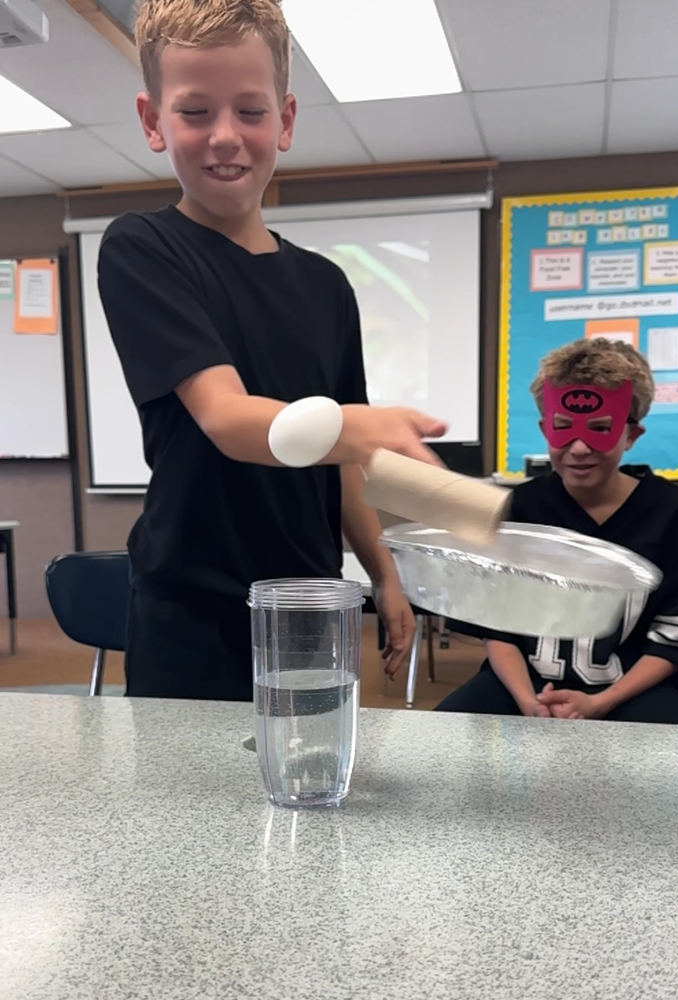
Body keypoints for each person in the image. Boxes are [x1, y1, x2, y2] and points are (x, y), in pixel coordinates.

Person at [97, 0, 447, 701]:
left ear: (284, 121)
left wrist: (382, 576)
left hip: (309, 603)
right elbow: (227, 419)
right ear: (151, 122)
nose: (225, 136)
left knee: (310, 795)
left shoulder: (327, 285)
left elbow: (340, 464)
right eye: (195, 112)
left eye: (250, 112)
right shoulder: (141, 248)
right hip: (190, 610)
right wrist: (358, 426)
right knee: (186, 805)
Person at [436, 337, 678, 724]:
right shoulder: (518, 509)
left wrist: (599, 703)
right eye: (563, 427)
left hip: (634, 689)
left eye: (599, 428)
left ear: (631, 435)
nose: (578, 447)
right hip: (523, 684)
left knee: (677, 758)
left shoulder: (672, 513)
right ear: (545, 428)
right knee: (444, 735)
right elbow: (498, 627)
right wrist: (528, 701)